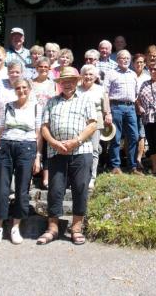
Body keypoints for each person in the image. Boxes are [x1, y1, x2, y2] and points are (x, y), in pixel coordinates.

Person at [38, 67, 98, 246]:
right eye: (64, 81)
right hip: (56, 151)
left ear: (77, 81)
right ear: (60, 83)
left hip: (81, 151)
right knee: (55, 189)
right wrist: (54, 143)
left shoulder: (86, 100)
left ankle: (76, 228)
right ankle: (53, 228)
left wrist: (76, 141)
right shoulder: (51, 102)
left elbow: (93, 124)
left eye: (71, 80)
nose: (68, 84)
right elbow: (44, 127)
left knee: (80, 188)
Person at [0, 77, 41, 245]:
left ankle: (16, 226)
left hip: (27, 148)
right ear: (14, 90)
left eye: (25, 87)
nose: (22, 90)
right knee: (2, 188)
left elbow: (39, 134)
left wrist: (38, 157)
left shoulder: (37, 108)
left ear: (29, 89)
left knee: (22, 189)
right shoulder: (7, 106)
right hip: (5, 146)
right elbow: (0, 131)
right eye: (18, 88)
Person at [103, 50, 140, 174]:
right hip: (116, 107)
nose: (125, 60)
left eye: (127, 58)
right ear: (117, 60)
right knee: (116, 137)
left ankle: (133, 166)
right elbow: (105, 94)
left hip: (130, 108)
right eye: (122, 58)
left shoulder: (133, 74)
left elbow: (136, 94)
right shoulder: (111, 73)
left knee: (134, 136)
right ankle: (115, 166)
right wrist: (107, 112)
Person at [77, 64, 110, 188]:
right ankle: (79, 175)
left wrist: (108, 114)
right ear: (81, 76)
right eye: (85, 74)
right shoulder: (77, 89)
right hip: (80, 121)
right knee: (79, 148)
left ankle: (92, 177)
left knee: (94, 149)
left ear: (95, 76)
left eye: (91, 74)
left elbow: (105, 105)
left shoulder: (100, 89)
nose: (88, 76)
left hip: (96, 120)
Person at [31, 57, 57, 188]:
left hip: (48, 118)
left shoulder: (53, 83)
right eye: (40, 66)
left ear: (49, 69)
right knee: (33, 145)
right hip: (33, 117)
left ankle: (45, 178)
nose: (43, 69)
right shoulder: (30, 83)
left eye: (46, 67)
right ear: (36, 68)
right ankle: (30, 175)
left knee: (47, 147)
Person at [132, 53, 150, 169]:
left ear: (144, 64)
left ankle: (139, 159)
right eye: (137, 62)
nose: (139, 64)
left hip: (144, 109)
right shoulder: (129, 75)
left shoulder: (147, 76)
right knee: (131, 134)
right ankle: (131, 158)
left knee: (141, 135)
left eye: (141, 62)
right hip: (131, 108)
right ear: (133, 64)